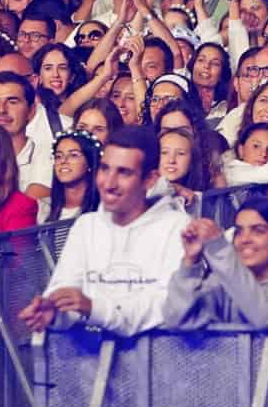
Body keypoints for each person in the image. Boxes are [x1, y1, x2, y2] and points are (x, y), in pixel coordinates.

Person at [20, 126, 189, 336]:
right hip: (89, 356)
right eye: (105, 169)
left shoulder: (177, 227)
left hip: (156, 354)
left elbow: (167, 307)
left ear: (150, 179)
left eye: (124, 172)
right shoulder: (86, 226)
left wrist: (94, 308)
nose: (109, 183)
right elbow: (66, 291)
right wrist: (54, 312)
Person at [163, 196, 268, 330]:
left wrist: (220, 250)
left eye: (258, 231)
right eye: (239, 231)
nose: (244, 239)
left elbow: (267, 318)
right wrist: (191, 264)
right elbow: (177, 320)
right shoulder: (223, 281)